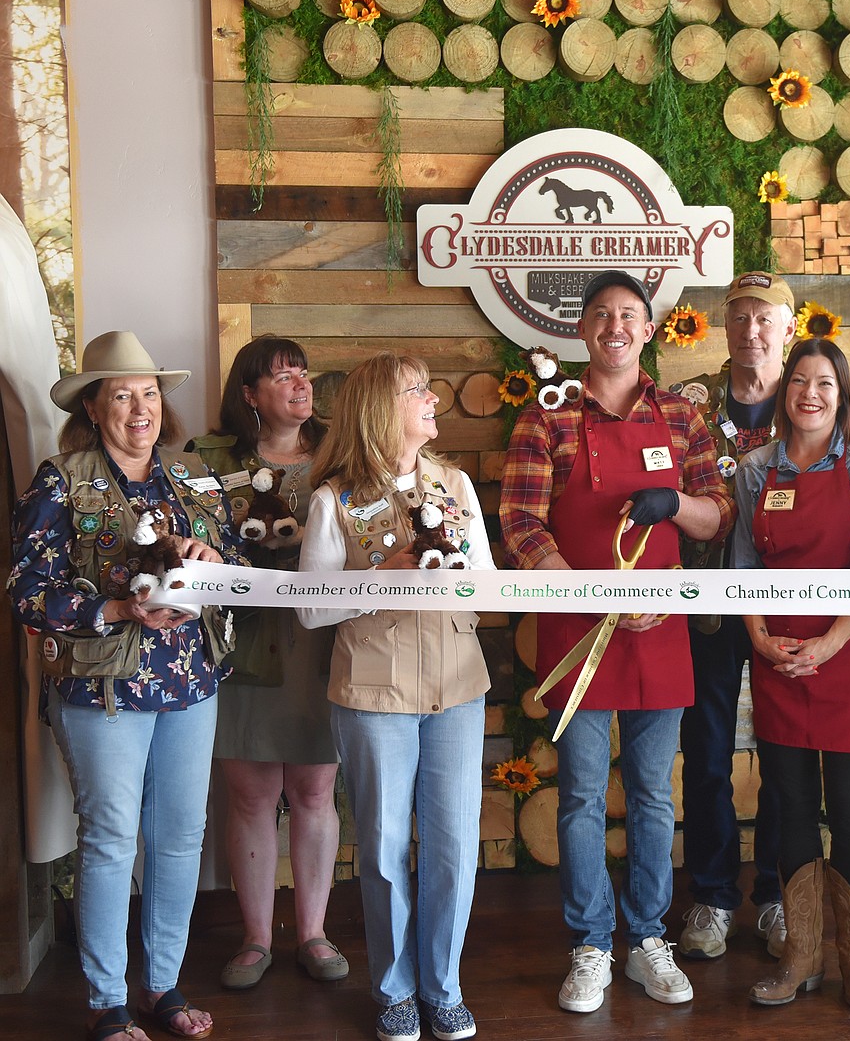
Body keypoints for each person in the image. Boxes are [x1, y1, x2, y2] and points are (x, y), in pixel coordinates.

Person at [500, 271, 735, 1014]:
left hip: (660, 627)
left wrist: (680, 504)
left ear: (648, 329)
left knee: (653, 798)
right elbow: (519, 521)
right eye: (601, 314)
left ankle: (648, 940)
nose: (615, 326)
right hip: (578, 628)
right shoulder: (549, 416)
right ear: (583, 331)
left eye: (629, 315)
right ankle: (592, 945)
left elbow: (720, 516)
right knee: (577, 797)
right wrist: (592, 590)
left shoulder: (681, 416)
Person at [8, 330, 247, 1041]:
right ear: (94, 405)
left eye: (148, 393)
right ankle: (107, 1001)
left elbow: (234, 560)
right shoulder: (62, 479)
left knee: (179, 838)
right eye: (121, 395)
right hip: (101, 691)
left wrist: (209, 557)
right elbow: (25, 591)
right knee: (112, 839)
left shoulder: (191, 474)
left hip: (189, 682)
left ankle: (164, 987)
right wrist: (114, 609)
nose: (139, 408)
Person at [296, 353, 492, 1041]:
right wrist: (386, 573)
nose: (433, 399)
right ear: (383, 406)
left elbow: (490, 587)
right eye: (420, 389)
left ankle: (444, 987)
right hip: (373, 692)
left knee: (453, 847)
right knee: (382, 846)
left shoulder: (457, 486)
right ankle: (394, 991)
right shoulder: (334, 500)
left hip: (459, 688)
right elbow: (312, 611)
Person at [732, 337, 850, 1011]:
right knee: (790, 807)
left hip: (848, 655)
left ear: (842, 393)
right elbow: (740, 574)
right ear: (782, 392)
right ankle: (800, 954)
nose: (810, 394)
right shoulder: (752, 470)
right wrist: (762, 641)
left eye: (824, 383)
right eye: (799, 380)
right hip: (776, 659)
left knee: (849, 813)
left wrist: (825, 647)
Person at [188, 336, 347, 989]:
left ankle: (312, 931)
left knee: (314, 790)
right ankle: (255, 938)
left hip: (322, 642)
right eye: (281, 376)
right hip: (240, 641)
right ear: (249, 394)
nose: (299, 384)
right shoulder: (210, 457)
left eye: (303, 372)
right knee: (250, 793)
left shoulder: (342, 451)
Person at [673, 270, 795, 961]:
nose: (751, 330)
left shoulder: (811, 397)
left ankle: (776, 894)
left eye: (764, 318)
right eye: (739, 317)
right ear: (725, 326)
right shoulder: (690, 402)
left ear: (787, 328)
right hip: (708, 607)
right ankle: (714, 896)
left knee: (782, 749)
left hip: (785, 605)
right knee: (709, 754)